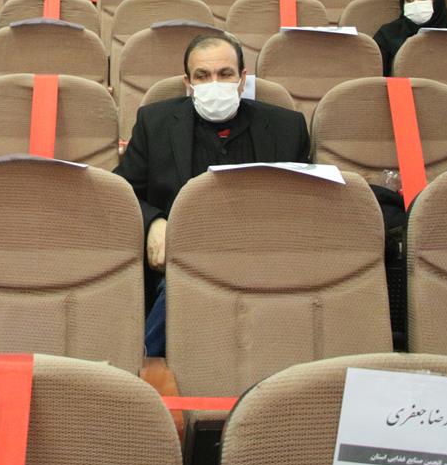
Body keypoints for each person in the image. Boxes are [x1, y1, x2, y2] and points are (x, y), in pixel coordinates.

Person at [115, 32, 310, 356]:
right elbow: (122, 191)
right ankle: (147, 363)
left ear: (242, 79)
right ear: (188, 83)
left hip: (263, 255)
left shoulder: (286, 127)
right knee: (186, 281)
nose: (214, 84)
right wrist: (154, 222)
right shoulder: (155, 122)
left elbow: (305, 200)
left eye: (225, 74)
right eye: (202, 76)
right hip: (183, 258)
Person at [373, 0, 447, 76]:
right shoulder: (387, 35)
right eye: (409, 0)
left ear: (436, 0)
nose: (416, 4)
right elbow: (377, 79)